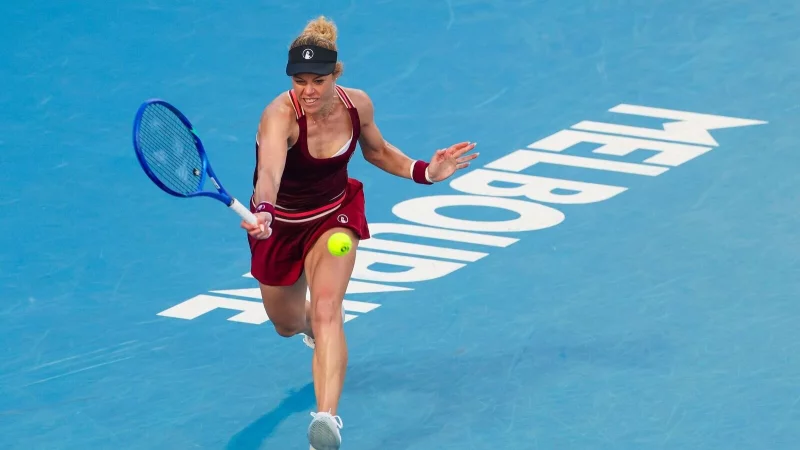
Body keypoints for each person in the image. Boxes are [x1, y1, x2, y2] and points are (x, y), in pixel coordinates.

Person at [240, 15, 478, 450]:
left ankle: (326, 422)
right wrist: (264, 210)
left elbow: (378, 151)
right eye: (300, 81)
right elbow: (270, 170)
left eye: (318, 79)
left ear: (336, 74)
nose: (308, 90)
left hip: (335, 215)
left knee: (330, 307)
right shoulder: (279, 116)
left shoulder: (357, 105)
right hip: (281, 225)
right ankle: (309, 323)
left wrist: (426, 172)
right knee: (287, 322)